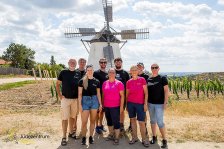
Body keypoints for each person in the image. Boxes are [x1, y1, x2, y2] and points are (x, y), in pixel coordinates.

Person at [56, 59, 81, 146]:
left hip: (75, 100)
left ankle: (71, 133)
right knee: (64, 118)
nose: (72, 64)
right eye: (71, 62)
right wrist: (59, 95)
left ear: (76, 64)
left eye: (74, 62)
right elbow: (58, 84)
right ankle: (64, 136)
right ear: (68, 63)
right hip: (65, 99)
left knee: (73, 117)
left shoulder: (78, 73)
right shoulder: (63, 72)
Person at [78, 65, 103, 145]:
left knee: (92, 121)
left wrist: (100, 104)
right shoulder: (82, 81)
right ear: (86, 71)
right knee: (84, 122)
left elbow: (98, 94)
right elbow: (80, 94)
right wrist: (80, 105)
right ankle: (84, 137)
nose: (89, 71)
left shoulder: (97, 81)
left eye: (91, 70)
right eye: (88, 70)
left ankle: (91, 137)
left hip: (94, 101)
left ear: (93, 71)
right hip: (85, 101)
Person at [147, 63, 169, 148]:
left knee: (160, 122)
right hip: (150, 104)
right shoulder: (149, 79)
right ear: (151, 69)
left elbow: (166, 91)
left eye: (156, 67)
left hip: (159, 104)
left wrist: (165, 102)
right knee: (152, 121)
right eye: (153, 67)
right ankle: (154, 137)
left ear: (158, 69)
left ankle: (164, 140)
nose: (154, 69)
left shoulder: (162, 78)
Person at [126, 65, 149, 147]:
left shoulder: (142, 80)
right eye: (132, 70)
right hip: (130, 104)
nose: (134, 71)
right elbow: (127, 94)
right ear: (130, 72)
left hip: (140, 104)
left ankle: (144, 139)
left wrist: (145, 104)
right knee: (132, 120)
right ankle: (134, 137)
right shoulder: (128, 82)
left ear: (138, 71)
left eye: (136, 70)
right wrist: (126, 105)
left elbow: (146, 93)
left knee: (141, 122)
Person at [102, 68, 124, 145]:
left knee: (116, 122)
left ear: (115, 74)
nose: (111, 74)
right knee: (109, 122)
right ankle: (111, 134)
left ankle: (116, 137)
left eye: (113, 72)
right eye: (110, 72)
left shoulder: (119, 83)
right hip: (106, 106)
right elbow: (103, 95)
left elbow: (122, 96)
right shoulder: (105, 83)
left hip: (115, 106)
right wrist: (102, 105)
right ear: (108, 74)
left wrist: (121, 107)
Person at [114, 57, 130, 133]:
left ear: (121, 62)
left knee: (121, 111)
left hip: (122, 96)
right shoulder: (111, 72)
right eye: (116, 61)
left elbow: (128, 85)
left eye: (119, 61)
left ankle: (121, 124)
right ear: (114, 63)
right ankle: (115, 125)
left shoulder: (125, 73)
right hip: (113, 96)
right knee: (114, 111)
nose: (118, 62)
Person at [93, 58, 108, 134]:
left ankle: (101, 125)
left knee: (102, 112)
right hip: (97, 95)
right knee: (97, 111)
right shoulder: (95, 73)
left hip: (105, 96)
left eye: (104, 62)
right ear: (99, 63)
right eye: (101, 62)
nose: (103, 64)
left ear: (106, 63)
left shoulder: (107, 73)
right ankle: (97, 126)